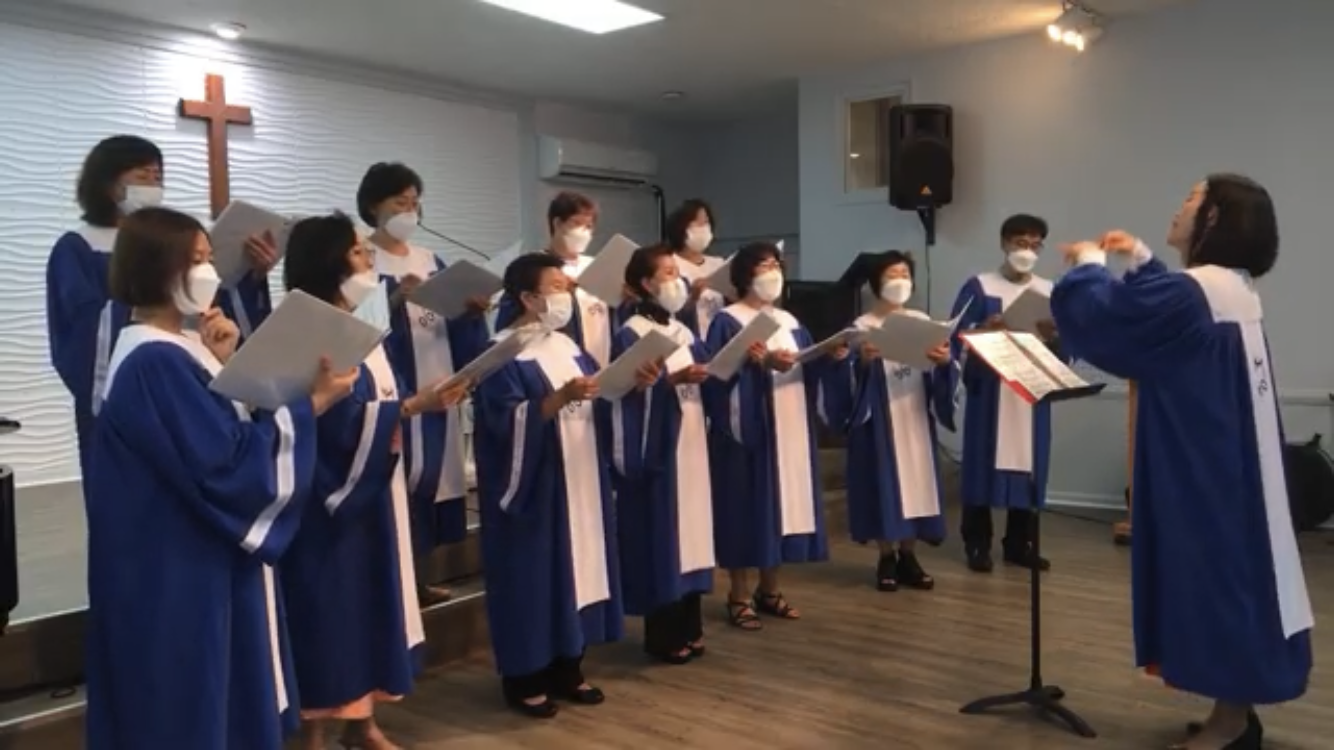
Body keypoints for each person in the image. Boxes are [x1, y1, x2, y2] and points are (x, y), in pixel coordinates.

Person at [1051, 174, 1313, 750]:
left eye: (1192, 198)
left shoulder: (1196, 293)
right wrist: (1141, 260)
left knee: (1219, 582)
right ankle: (1235, 711)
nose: (1179, 207)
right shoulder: (1226, 288)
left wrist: (1089, 266)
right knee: (1236, 578)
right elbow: (1163, 312)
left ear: (1214, 217)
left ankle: (1230, 724)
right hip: (1232, 462)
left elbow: (1110, 321)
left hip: (1205, 467)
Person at [85, 207, 357, 750]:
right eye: (196, 261)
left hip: (196, 556)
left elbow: (220, 435)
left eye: (209, 258)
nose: (209, 273)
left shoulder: (182, 347)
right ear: (158, 268)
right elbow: (224, 466)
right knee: (188, 707)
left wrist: (227, 363)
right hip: (177, 568)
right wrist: (310, 406)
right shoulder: (153, 361)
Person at [278, 213, 472, 750]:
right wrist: (410, 408)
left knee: (367, 606)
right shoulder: (304, 330)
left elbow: (384, 396)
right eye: (359, 251)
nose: (369, 260)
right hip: (327, 500)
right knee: (327, 610)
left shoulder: (362, 329)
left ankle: (361, 722)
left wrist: (419, 400)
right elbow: (316, 416)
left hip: (374, 488)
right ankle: (315, 731)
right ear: (329, 261)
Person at [45, 135, 275, 503]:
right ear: (108, 183)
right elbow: (78, 329)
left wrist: (249, 275)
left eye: (158, 177)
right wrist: (146, 295)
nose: (153, 185)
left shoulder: (174, 244)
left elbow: (210, 304)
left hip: (190, 371)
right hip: (138, 378)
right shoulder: (79, 246)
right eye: (143, 176)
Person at [473, 253, 655, 718]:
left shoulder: (568, 346)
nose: (566, 296)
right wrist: (561, 397)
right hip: (537, 485)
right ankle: (525, 678)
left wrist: (631, 384)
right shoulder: (501, 352)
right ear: (528, 298)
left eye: (567, 287)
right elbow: (501, 423)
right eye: (556, 287)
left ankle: (569, 666)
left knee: (580, 571)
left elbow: (598, 394)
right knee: (533, 578)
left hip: (580, 475)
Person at [356, 162, 489, 606]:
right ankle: (394, 586)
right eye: (400, 202)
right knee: (399, 482)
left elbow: (458, 329)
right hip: (398, 392)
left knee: (433, 482)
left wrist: (471, 312)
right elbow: (356, 326)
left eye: (415, 203)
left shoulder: (432, 261)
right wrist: (395, 299)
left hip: (438, 383)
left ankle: (420, 577)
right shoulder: (360, 259)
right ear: (373, 205)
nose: (409, 211)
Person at [704, 241, 846, 630]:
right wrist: (760, 363)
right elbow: (716, 375)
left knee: (779, 509)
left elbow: (807, 367)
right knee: (744, 508)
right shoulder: (728, 320)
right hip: (748, 430)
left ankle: (770, 589)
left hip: (789, 425)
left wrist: (831, 357)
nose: (773, 273)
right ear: (745, 274)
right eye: (764, 266)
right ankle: (738, 593)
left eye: (777, 265)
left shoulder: (790, 322)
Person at [938, 213, 1060, 573]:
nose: (1027, 251)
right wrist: (984, 328)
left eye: (1035, 245)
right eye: (1021, 243)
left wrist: (1054, 335)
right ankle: (977, 544)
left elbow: (1063, 344)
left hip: (1030, 391)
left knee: (1030, 466)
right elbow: (955, 337)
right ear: (1004, 243)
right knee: (981, 465)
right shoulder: (980, 287)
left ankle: (1020, 544)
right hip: (991, 390)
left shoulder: (1048, 291)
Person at [610, 244, 715, 664]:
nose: (677, 280)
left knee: (692, 531)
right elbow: (624, 391)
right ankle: (664, 633)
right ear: (645, 283)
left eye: (677, 272)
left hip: (692, 439)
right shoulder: (631, 332)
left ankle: (691, 623)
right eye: (667, 273)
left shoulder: (683, 330)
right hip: (659, 443)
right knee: (664, 532)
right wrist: (671, 381)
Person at [826, 250, 949, 591]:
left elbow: (941, 370)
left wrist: (943, 361)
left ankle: (909, 554)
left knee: (917, 481)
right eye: (892, 275)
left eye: (905, 275)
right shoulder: (861, 326)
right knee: (882, 482)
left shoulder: (922, 320)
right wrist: (862, 362)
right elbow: (842, 376)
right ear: (877, 282)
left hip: (914, 410)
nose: (900, 281)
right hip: (879, 415)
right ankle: (886, 556)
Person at [492, 191, 617, 366]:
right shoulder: (533, 267)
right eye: (577, 223)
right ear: (557, 223)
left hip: (598, 361)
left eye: (589, 226)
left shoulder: (597, 266)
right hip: (554, 361)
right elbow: (510, 322)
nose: (584, 231)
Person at [665, 199, 727, 338]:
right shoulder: (670, 264)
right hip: (689, 337)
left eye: (707, 222)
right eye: (699, 223)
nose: (705, 228)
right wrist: (693, 296)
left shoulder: (718, 263)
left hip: (719, 337)